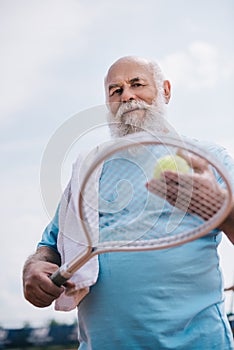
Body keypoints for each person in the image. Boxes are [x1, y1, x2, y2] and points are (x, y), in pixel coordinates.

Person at [23, 56, 234, 349]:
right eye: (116, 90)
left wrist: (224, 211)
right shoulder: (89, 170)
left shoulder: (209, 159)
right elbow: (50, 245)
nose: (128, 96)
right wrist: (34, 268)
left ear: (166, 91)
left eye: (137, 84)